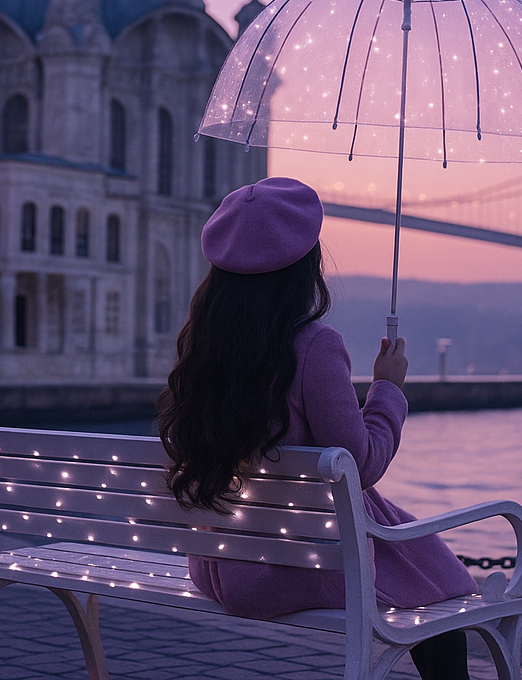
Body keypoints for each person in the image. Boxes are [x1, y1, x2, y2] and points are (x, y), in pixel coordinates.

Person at [157, 177, 477, 680]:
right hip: (298, 565)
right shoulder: (314, 347)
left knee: (416, 567)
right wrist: (388, 389)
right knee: (439, 591)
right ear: (304, 265)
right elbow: (361, 465)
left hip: (220, 565)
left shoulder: (203, 347)